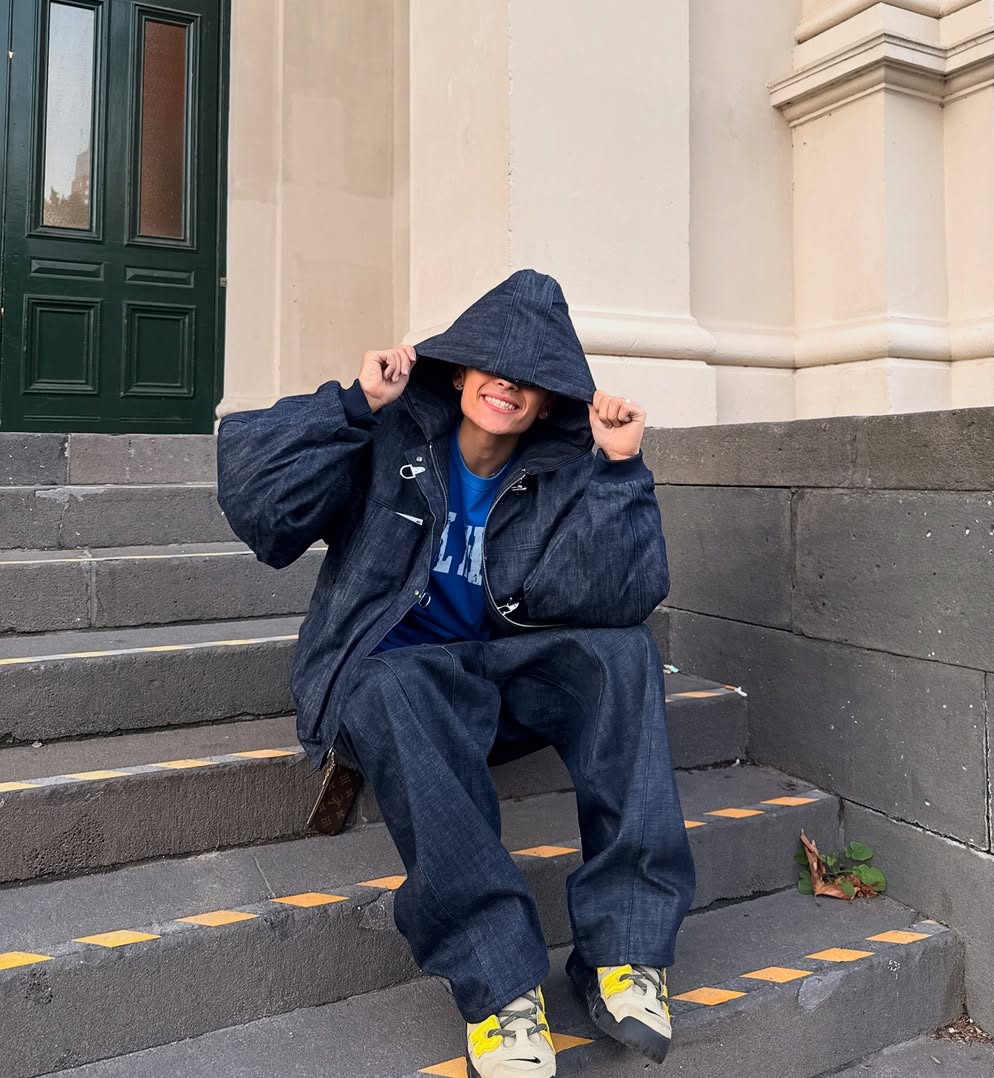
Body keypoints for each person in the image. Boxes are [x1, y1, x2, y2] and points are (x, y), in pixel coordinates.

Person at [216, 269, 695, 1076]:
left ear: (548, 400)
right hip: (391, 681)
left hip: (493, 680)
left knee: (624, 653)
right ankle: (501, 986)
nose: (508, 383)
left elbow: (617, 597)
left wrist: (618, 469)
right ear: (461, 371)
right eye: (493, 364)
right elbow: (260, 510)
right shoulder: (389, 439)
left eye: (531, 376)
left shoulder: (559, 469)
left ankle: (625, 949)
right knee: (395, 684)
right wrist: (352, 406)